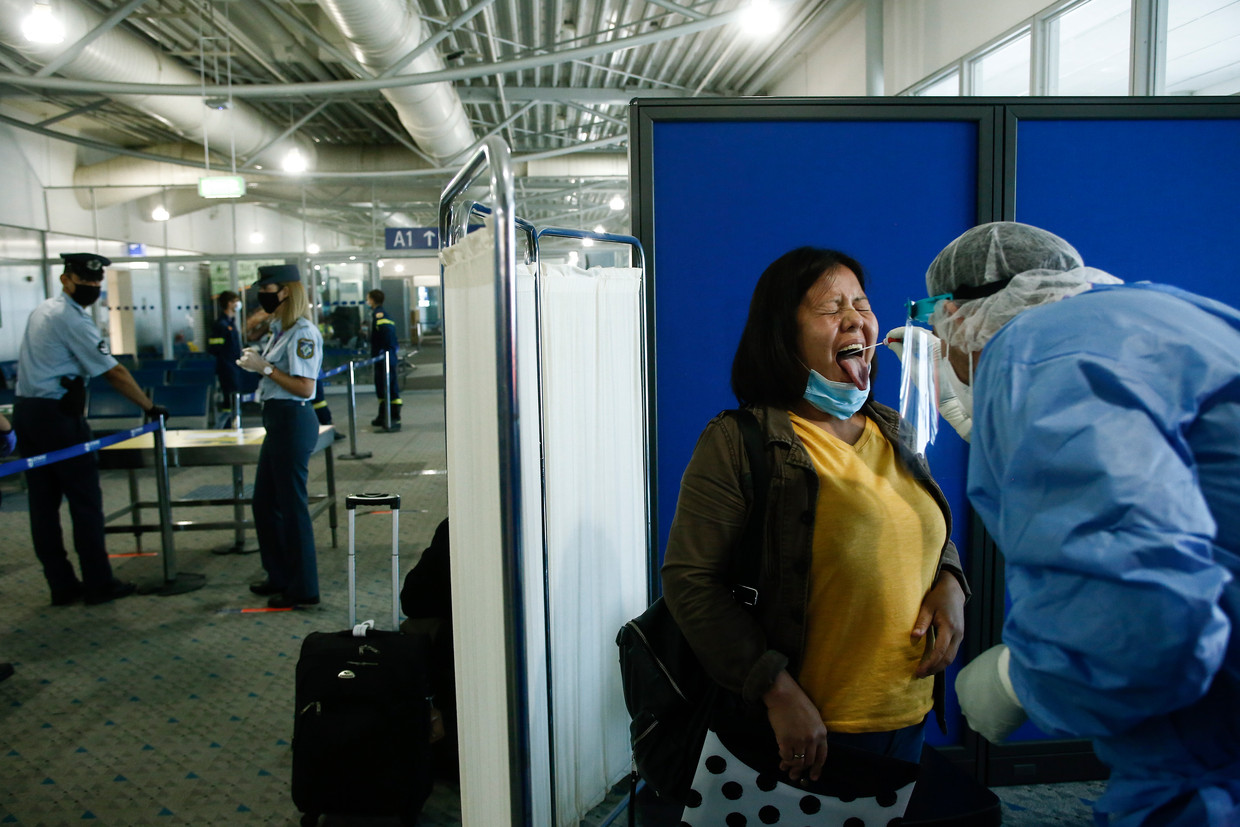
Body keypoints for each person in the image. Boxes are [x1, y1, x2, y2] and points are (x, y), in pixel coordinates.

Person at [919, 222, 1240, 827]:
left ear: (956, 315)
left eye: (931, 319)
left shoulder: (1038, 350)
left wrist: (1023, 678)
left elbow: (1139, 611)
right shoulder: (1159, 313)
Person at [661, 247, 968, 798]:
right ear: (784, 334)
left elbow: (923, 528)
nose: (856, 318)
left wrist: (951, 583)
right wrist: (775, 691)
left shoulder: (892, 426)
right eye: (831, 308)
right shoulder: (738, 441)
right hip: (809, 726)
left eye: (862, 304)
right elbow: (691, 581)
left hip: (907, 712)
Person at [15, 253, 168, 606]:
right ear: (66, 279)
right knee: (84, 501)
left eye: (97, 283)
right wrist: (148, 406)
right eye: (85, 283)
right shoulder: (71, 319)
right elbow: (112, 372)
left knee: (43, 505)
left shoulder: (44, 310)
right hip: (56, 418)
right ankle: (99, 583)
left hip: (30, 411)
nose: (93, 289)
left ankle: (63, 585)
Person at [238, 264, 324, 608]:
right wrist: (258, 362)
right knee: (264, 503)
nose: (263, 294)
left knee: (292, 507)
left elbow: (305, 388)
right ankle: (279, 574)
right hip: (276, 418)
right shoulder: (281, 329)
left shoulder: (303, 333)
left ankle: (304, 587)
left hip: (293, 418)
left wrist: (266, 368)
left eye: (269, 288)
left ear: (287, 291)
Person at [366, 289, 401, 429]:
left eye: (368, 299)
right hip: (385, 357)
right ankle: (384, 415)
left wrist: (383, 350)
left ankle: (393, 416)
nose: (367, 301)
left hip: (384, 357)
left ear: (373, 300)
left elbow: (386, 334)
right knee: (382, 387)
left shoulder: (380, 315)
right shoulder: (378, 314)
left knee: (388, 387)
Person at [207, 291, 243, 426]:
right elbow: (215, 348)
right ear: (229, 303)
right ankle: (227, 424)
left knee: (235, 396)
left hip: (234, 365)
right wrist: (226, 362)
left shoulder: (230, 323)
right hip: (227, 367)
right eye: (235, 301)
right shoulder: (221, 325)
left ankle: (234, 421)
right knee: (229, 397)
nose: (238, 304)